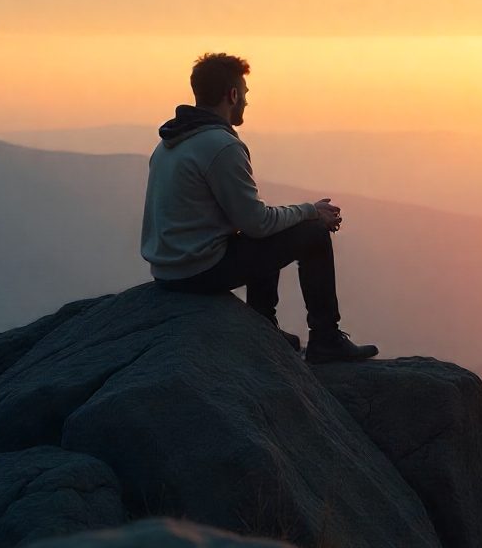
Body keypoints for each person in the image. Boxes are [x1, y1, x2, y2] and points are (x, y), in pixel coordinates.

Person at [140, 52, 378, 363]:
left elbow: (251, 221)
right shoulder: (221, 146)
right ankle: (326, 339)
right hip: (198, 271)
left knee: (273, 227)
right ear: (233, 94)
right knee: (313, 233)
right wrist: (310, 211)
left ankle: (264, 326)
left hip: (168, 270)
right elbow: (257, 224)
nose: (247, 104)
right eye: (245, 95)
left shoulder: (172, 141)